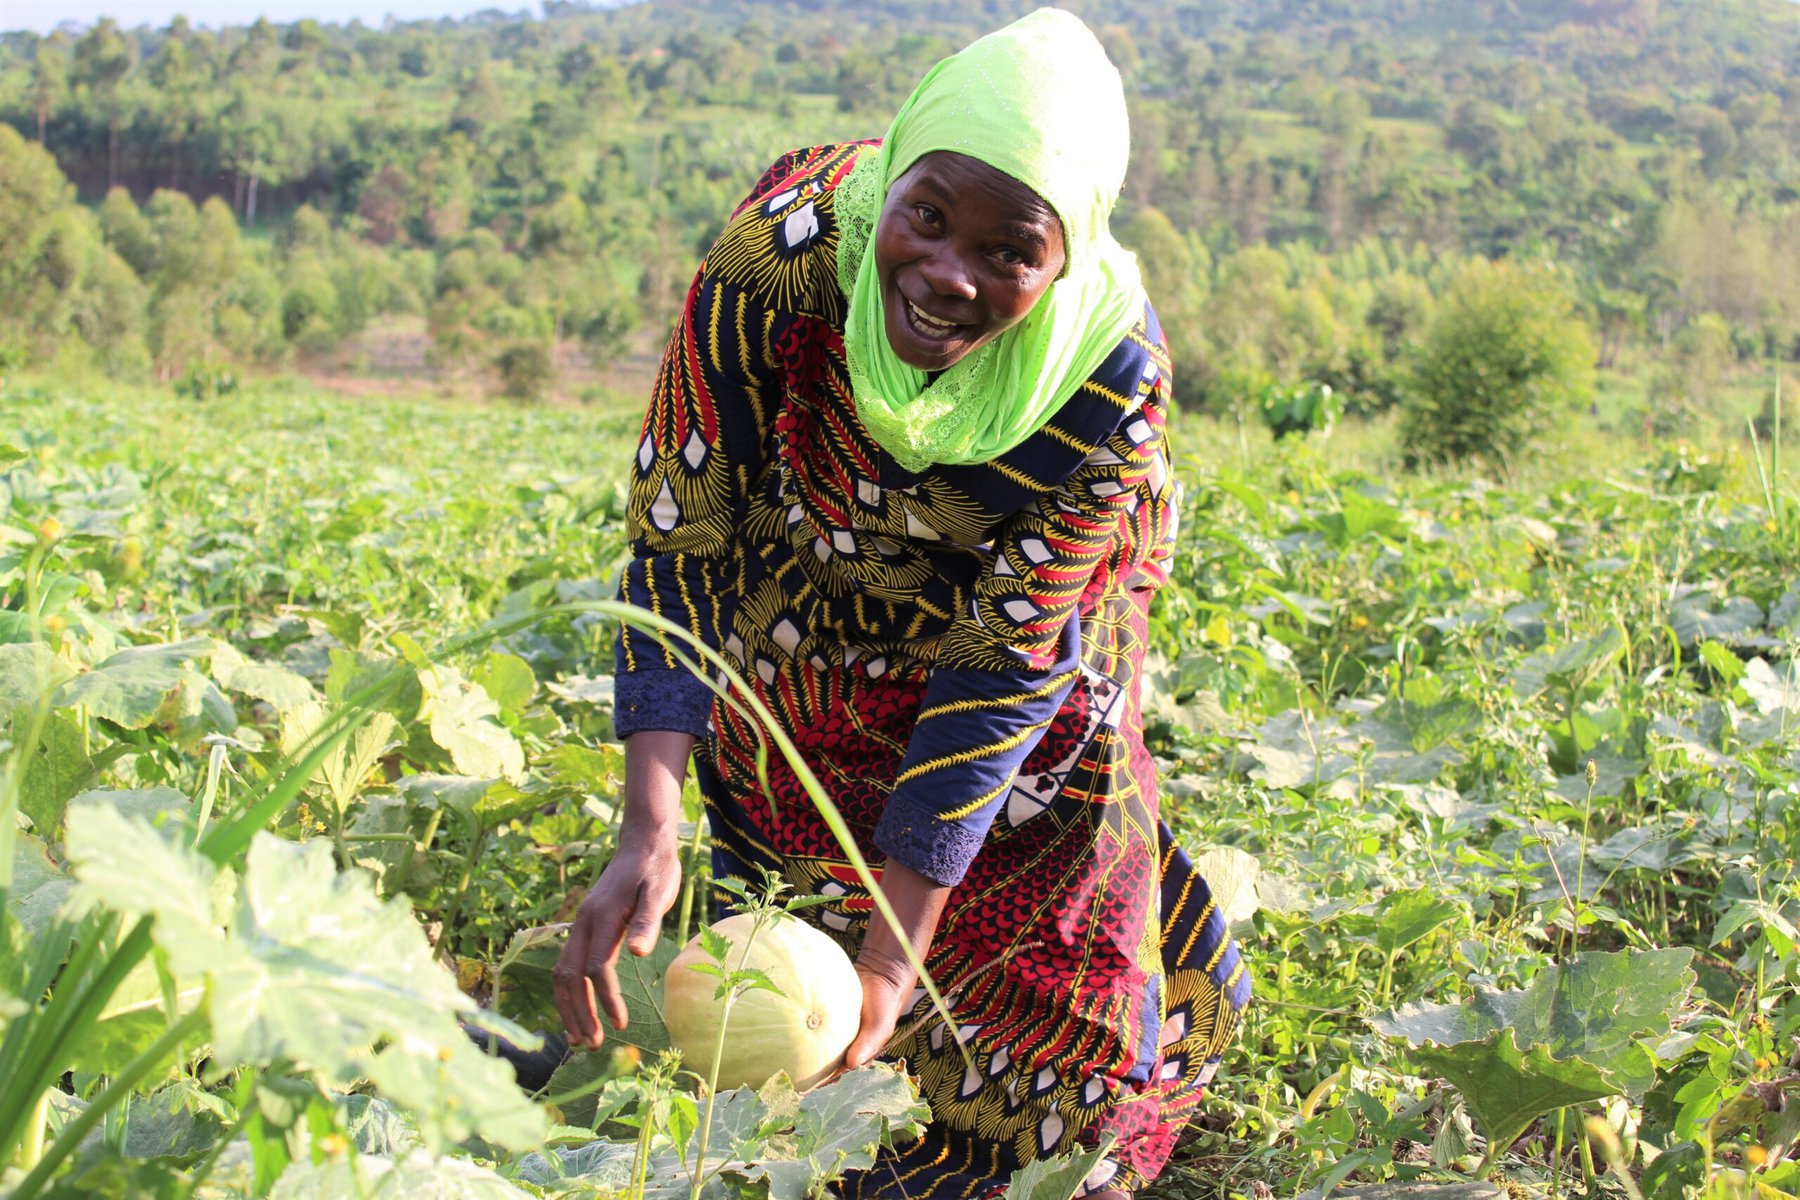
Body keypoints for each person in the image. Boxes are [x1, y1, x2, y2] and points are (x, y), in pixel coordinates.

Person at [553, 10, 1249, 1196]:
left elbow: (1001, 668)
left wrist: (894, 951)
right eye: (925, 217)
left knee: (1057, 849)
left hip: (1020, 614)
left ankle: (1010, 1144)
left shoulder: (1109, 386)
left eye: (1010, 251)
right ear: (897, 179)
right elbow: (685, 523)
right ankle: (803, 1126)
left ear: (1068, 253)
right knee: (791, 790)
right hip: (808, 556)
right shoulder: (781, 251)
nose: (947, 274)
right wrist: (649, 822)